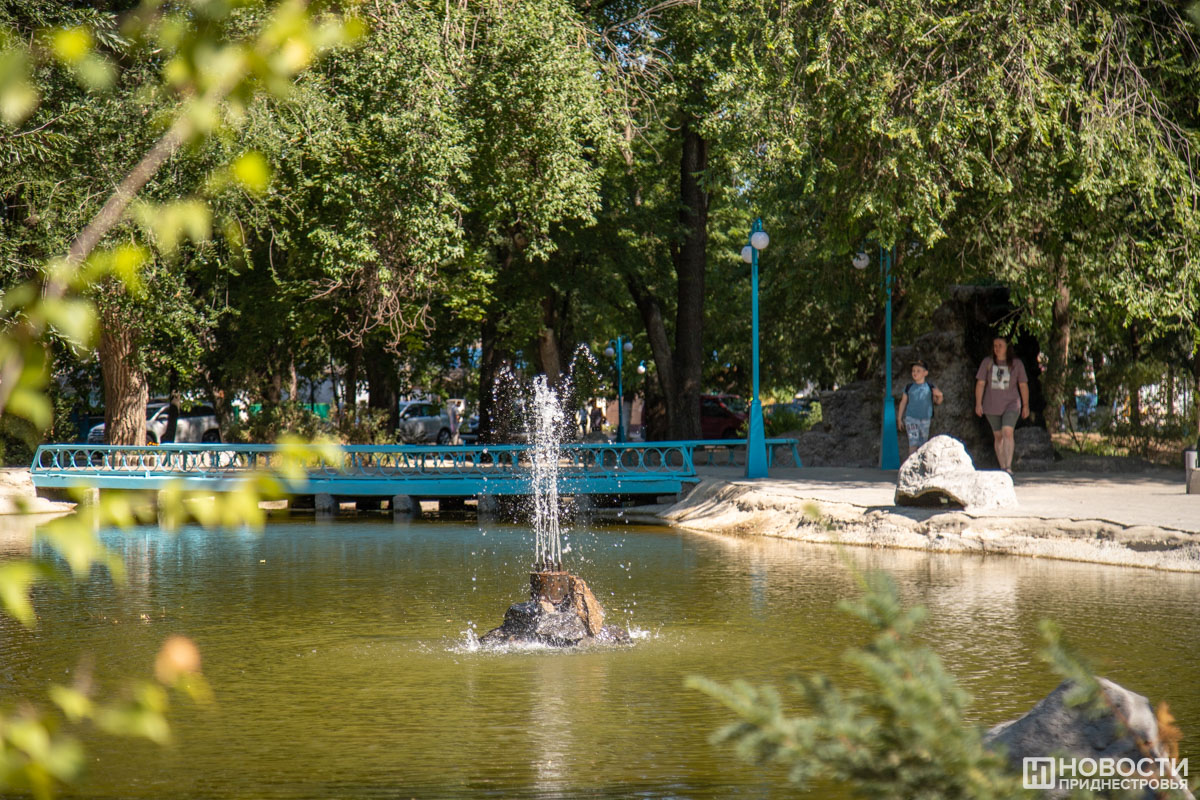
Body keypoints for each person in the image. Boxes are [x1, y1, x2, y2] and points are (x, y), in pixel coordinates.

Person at [974, 336, 1030, 474]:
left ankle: (1008, 466)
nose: (997, 348)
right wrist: (978, 403)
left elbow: (1023, 385)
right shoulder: (987, 363)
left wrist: (1025, 405)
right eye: (995, 345)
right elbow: (980, 384)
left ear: (1007, 347)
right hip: (991, 404)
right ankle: (1002, 466)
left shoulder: (1017, 364)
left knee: (1007, 431)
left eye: (1000, 345)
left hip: (1012, 403)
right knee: (998, 436)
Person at [896, 360, 943, 454]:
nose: (915, 373)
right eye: (913, 370)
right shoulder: (909, 387)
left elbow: (938, 402)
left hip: (925, 419)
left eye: (918, 371)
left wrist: (940, 395)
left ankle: (920, 465)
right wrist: (899, 418)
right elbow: (903, 402)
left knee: (923, 443)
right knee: (913, 442)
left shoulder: (930, 386)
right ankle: (912, 465)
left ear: (925, 373)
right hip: (911, 418)